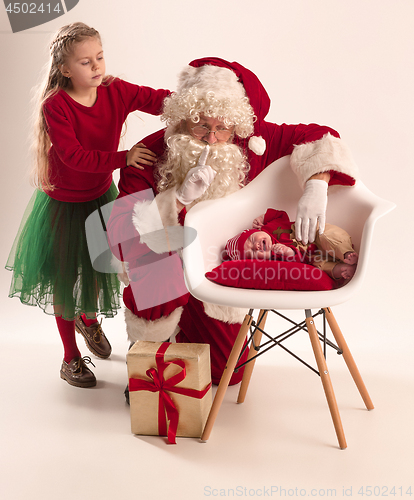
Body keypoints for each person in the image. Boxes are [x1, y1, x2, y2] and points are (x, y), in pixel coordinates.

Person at [107, 57, 360, 389]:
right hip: (166, 266)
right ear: (183, 119)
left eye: (222, 128)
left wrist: (317, 182)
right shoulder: (149, 154)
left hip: (218, 268)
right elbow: (123, 234)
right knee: (156, 265)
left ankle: (185, 333)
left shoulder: (252, 142)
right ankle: (149, 349)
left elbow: (321, 136)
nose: (212, 139)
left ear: (236, 124)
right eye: (200, 125)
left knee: (227, 373)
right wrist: (176, 200)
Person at [6, 22, 170, 388]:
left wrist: (196, 100)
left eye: (99, 57)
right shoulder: (56, 106)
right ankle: (69, 357)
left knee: (97, 270)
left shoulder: (114, 90)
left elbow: (157, 99)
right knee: (66, 283)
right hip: (63, 204)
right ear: (65, 69)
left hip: (99, 196)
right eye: (85, 62)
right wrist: (124, 157)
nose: (96, 67)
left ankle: (89, 320)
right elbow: (75, 156)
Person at [225, 208, 358, 280]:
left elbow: (280, 214)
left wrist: (262, 218)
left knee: (327, 235)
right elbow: (297, 263)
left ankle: (346, 252)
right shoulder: (274, 258)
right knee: (320, 267)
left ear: (256, 230)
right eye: (254, 252)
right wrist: (288, 252)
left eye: (253, 240)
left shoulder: (269, 227)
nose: (257, 246)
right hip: (313, 256)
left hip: (312, 234)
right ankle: (341, 269)